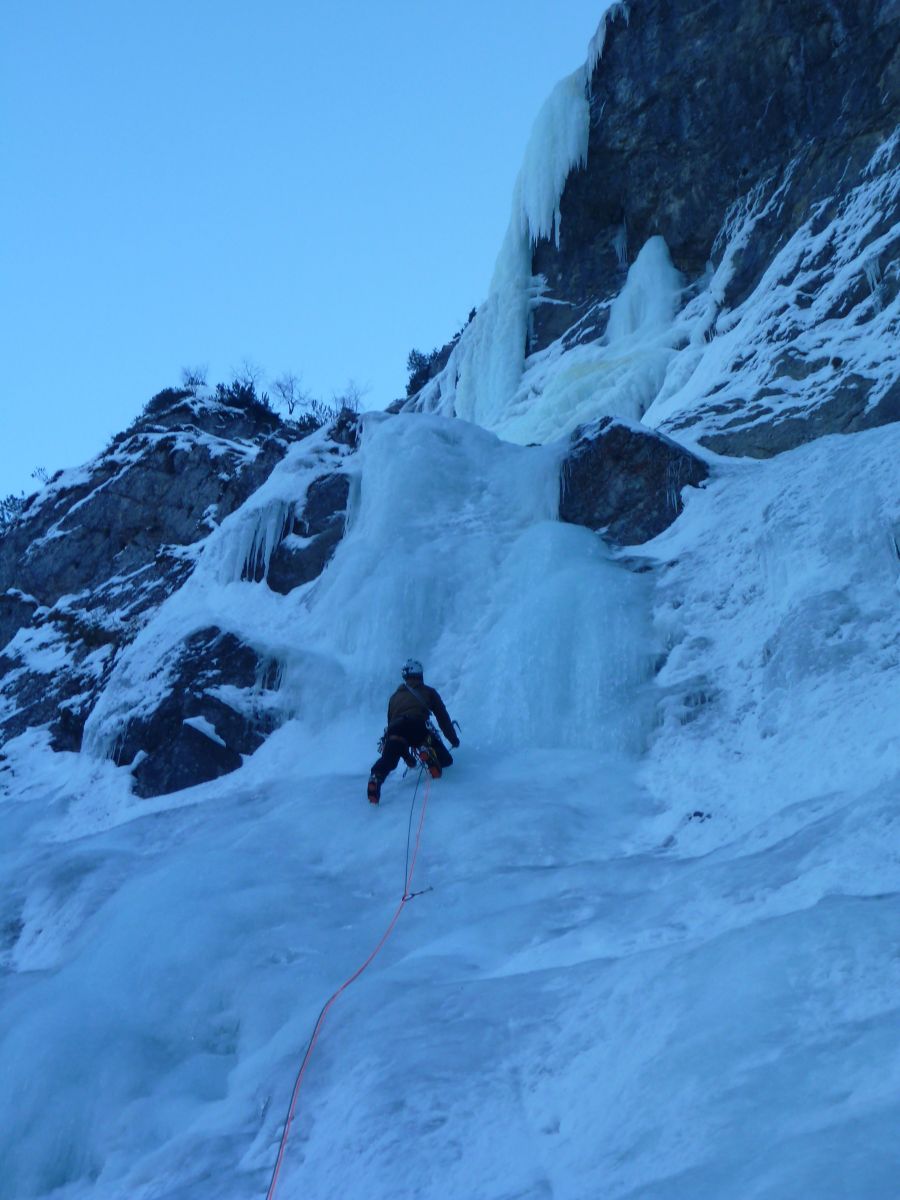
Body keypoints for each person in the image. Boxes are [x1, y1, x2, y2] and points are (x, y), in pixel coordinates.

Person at [367, 659, 460, 804]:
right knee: (446, 760)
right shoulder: (428, 691)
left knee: (388, 759)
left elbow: (392, 728)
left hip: (395, 730)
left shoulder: (394, 698)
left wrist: (409, 760)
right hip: (417, 726)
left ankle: (376, 777)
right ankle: (427, 752)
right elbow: (442, 718)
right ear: (420, 674)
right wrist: (453, 739)